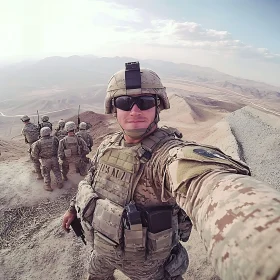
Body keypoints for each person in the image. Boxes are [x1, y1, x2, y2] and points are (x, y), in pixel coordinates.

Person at [62, 62, 280, 280]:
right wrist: (73, 209)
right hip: (102, 253)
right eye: (124, 102)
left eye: (145, 102)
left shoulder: (166, 155)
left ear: (158, 106)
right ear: (114, 108)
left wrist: (264, 244)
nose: (135, 110)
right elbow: (92, 179)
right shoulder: (108, 144)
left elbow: (208, 183)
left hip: (149, 269)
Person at [31, 127, 63, 191]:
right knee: (57, 171)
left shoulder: (38, 143)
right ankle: (60, 184)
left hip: (45, 160)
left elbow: (34, 154)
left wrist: (39, 158)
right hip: (54, 158)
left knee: (46, 173)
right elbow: (59, 147)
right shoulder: (55, 139)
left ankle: (48, 186)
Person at [21, 115, 43, 180]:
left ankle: (39, 175)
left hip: (32, 145)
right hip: (39, 143)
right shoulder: (35, 126)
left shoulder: (24, 129)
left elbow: (24, 135)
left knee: (34, 159)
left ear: (23, 121)